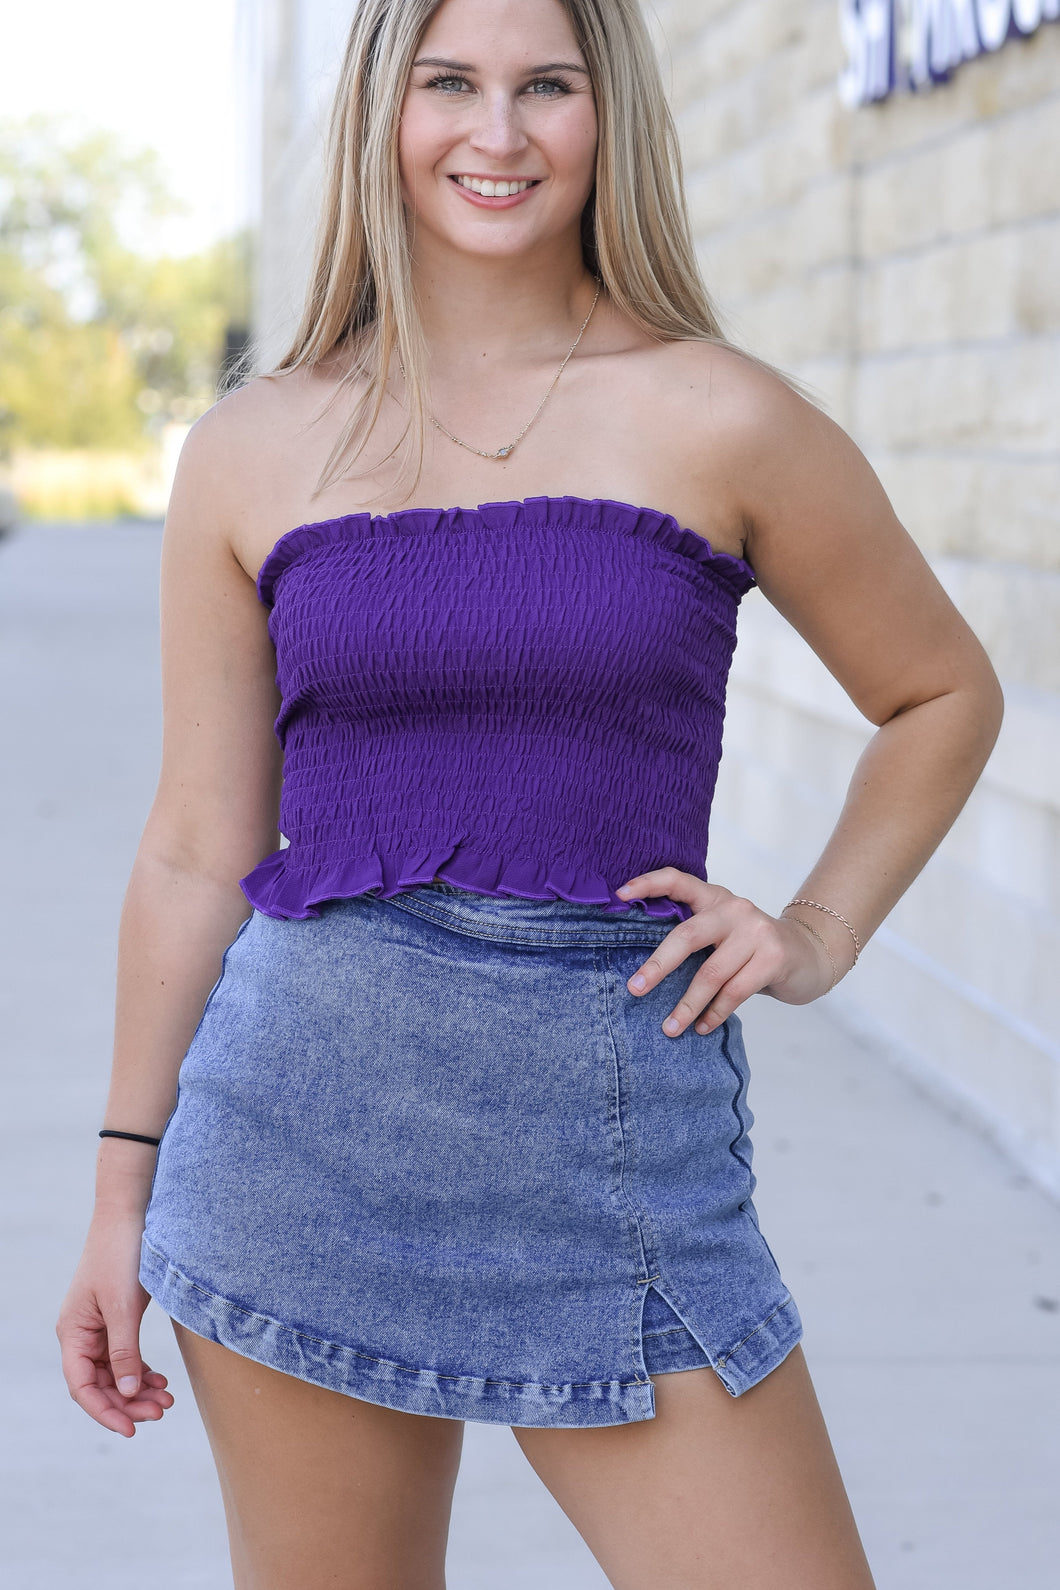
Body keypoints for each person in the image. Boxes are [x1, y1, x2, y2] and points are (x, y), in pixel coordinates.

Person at [56, 1, 1004, 1585]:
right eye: (452, 85)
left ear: (605, 111)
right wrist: (116, 1197)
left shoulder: (723, 413)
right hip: (300, 1144)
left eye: (544, 85)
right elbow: (195, 845)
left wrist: (821, 929)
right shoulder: (255, 443)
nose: (497, 134)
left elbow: (941, 692)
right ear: (385, 111)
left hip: (615, 1141)